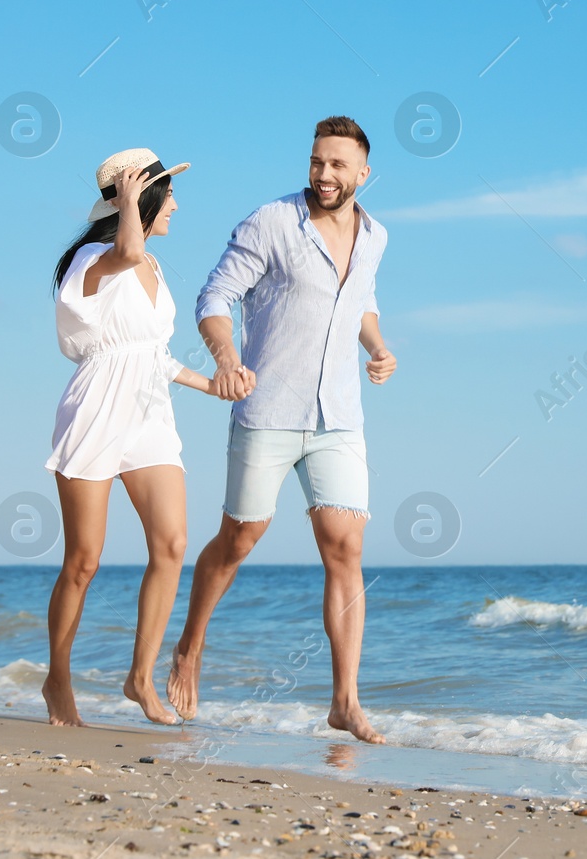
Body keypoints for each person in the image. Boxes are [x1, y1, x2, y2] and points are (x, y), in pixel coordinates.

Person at [168, 115, 395, 743]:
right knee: (240, 540)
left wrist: (377, 346)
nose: (324, 174)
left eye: (338, 165)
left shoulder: (375, 237)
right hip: (268, 411)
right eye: (318, 162)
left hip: (338, 417)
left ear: (363, 173)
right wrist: (226, 359)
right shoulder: (270, 222)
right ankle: (190, 644)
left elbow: (361, 303)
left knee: (345, 548)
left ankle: (345, 701)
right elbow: (214, 297)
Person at [43, 149, 243, 727]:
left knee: (173, 544)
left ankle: (139, 676)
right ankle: (58, 678)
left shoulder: (153, 267)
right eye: (168, 194)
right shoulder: (95, 257)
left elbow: (154, 356)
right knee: (83, 560)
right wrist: (129, 201)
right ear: (139, 199)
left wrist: (213, 384)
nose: (176, 205)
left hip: (150, 413)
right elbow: (125, 250)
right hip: (97, 409)